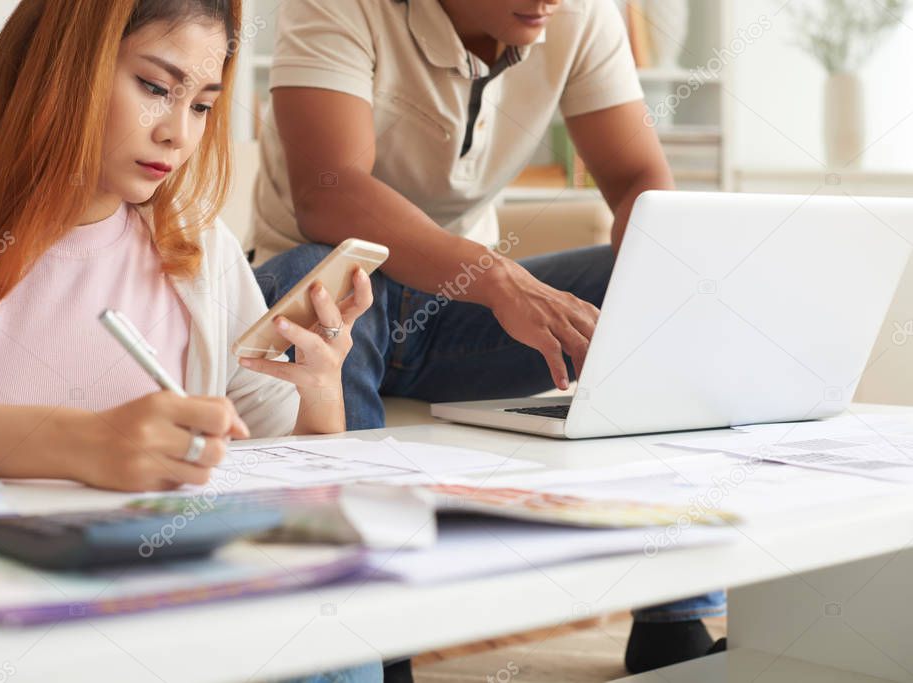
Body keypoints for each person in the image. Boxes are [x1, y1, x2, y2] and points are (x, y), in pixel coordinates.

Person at [0, 1, 379, 681]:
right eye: (155, 88)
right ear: (61, 71)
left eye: (203, 105)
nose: (179, 134)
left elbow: (282, 467)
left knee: (334, 631)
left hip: (177, 594)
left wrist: (322, 392)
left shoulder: (202, 255)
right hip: (6, 603)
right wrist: (85, 443)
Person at [250, 0, 724, 675]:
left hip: (460, 311)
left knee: (672, 284)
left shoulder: (578, 15)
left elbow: (635, 179)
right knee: (318, 274)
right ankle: (370, 645)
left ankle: (674, 620)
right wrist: (498, 279)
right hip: (338, 299)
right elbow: (327, 193)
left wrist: (652, 283)